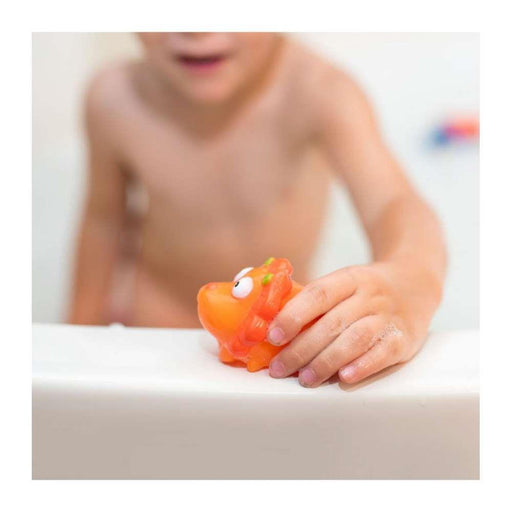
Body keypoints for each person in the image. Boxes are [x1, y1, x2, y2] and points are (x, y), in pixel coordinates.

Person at [69, 33, 446, 387]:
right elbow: (102, 222)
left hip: (277, 335)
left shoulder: (320, 92)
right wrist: (75, 337)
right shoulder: (114, 99)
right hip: (154, 321)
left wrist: (410, 279)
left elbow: (392, 203)